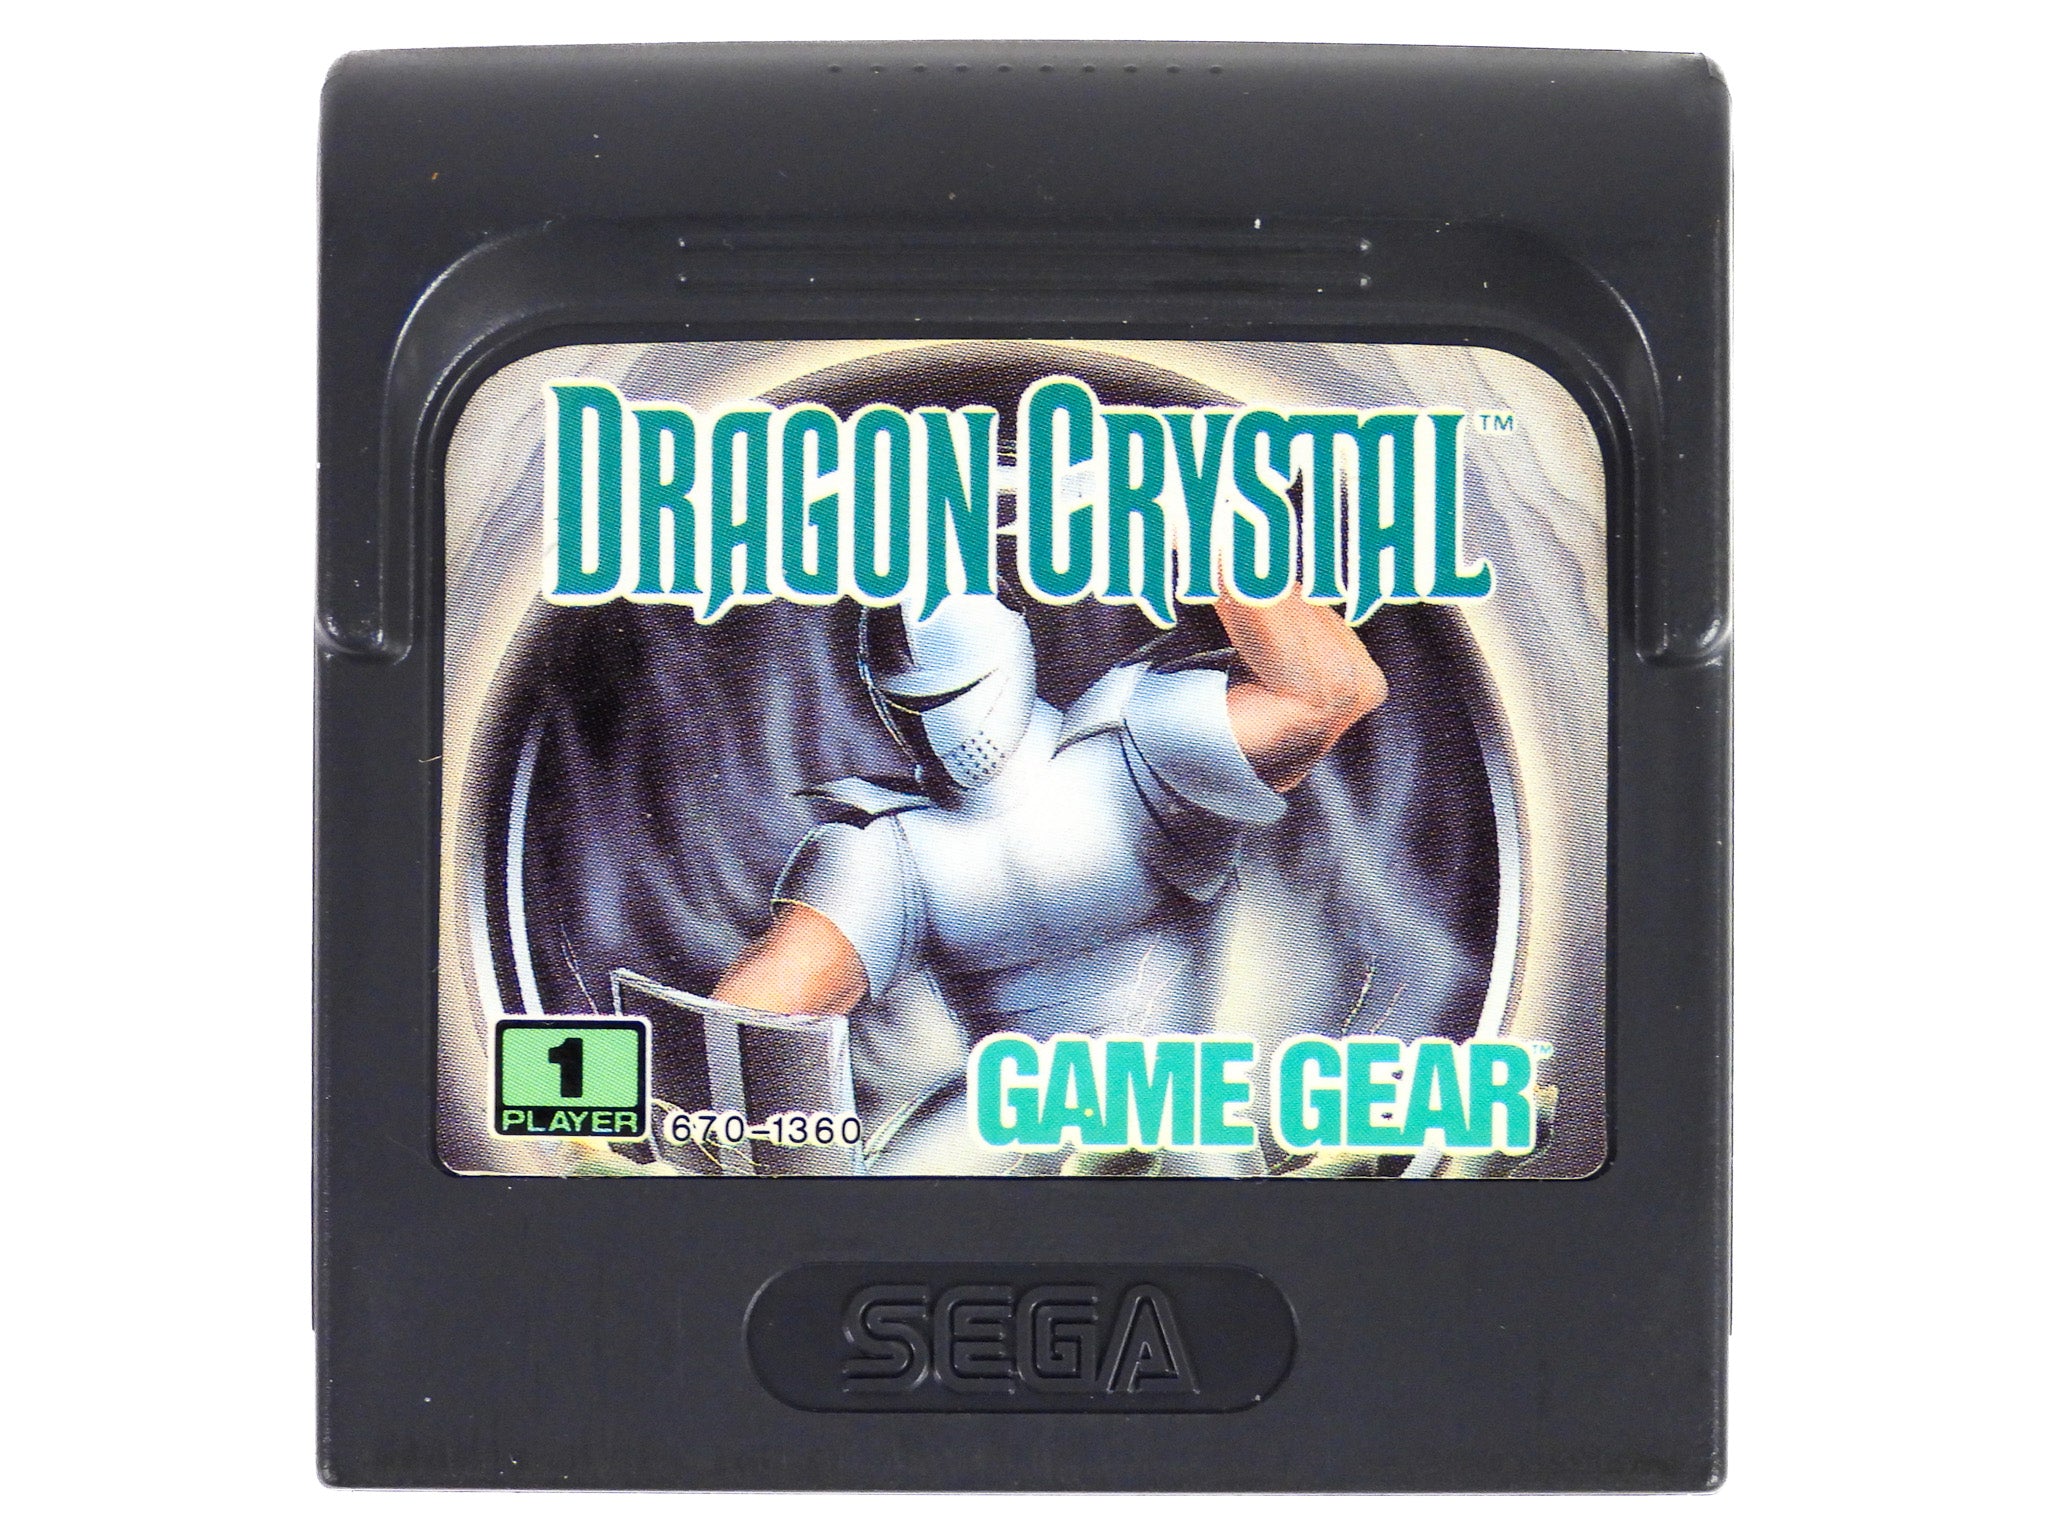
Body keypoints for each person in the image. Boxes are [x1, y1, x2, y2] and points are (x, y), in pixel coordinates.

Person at [713, 586, 1386, 1064]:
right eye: (912, 704)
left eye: (949, 694)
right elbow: (748, 1029)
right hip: (1006, 1133)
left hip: (1174, 1117)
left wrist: (1214, 525)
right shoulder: (887, 846)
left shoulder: (1134, 743)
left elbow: (1334, 693)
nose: (942, 727)